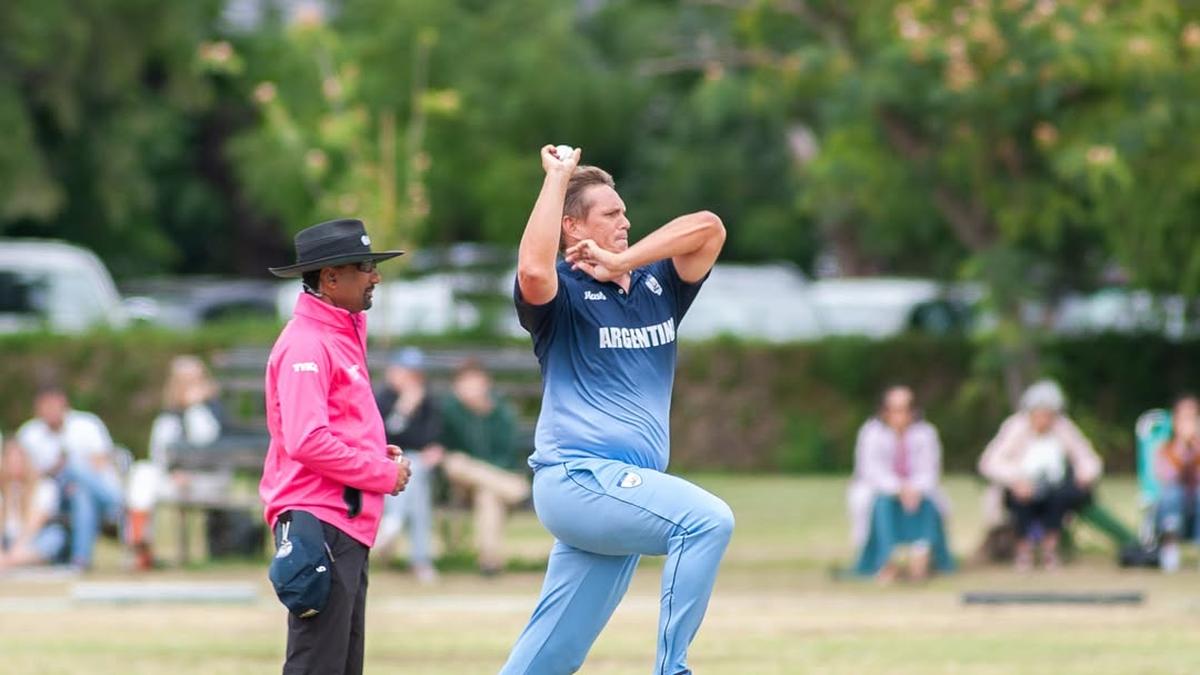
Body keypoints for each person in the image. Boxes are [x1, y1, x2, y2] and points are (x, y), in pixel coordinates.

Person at [501, 145, 733, 675]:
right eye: (610, 214)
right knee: (705, 522)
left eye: (624, 211)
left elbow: (709, 227)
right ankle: (673, 669)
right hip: (578, 479)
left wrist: (625, 261)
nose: (625, 221)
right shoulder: (564, 295)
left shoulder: (658, 284)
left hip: (624, 492)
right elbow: (532, 269)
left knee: (548, 659)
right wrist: (557, 178)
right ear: (572, 227)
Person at [261, 218, 413, 675]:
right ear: (330, 278)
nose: (375, 277)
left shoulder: (337, 335)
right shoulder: (308, 344)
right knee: (318, 665)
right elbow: (307, 440)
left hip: (340, 523)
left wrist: (376, 452)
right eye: (365, 267)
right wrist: (382, 474)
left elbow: (336, 426)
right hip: (321, 523)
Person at [979, 379, 1103, 571]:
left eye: (1049, 415)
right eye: (1040, 414)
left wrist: (1084, 474)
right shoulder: (1015, 427)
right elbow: (989, 462)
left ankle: (1050, 550)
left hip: (1055, 486)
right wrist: (1016, 479)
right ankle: (1024, 551)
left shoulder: (1063, 428)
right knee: (1022, 500)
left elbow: (1087, 457)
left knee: (1060, 497)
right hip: (1020, 485)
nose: (1044, 420)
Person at [125, 355, 226, 570]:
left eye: (194, 380)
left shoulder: (213, 409)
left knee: (150, 476)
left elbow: (208, 443)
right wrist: (173, 471)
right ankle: (139, 541)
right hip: (175, 479)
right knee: (142, 471)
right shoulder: (168, 414)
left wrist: (195, 407)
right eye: (183, 381)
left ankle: (140, 540)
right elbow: (158, 452)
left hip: (207, 479)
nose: (188, 386)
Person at [848, 386, 953, 581]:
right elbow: (871, 470)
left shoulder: (925, 433)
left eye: (905, 409)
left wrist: (914, 488)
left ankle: (923, 556)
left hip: (918, 490)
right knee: (881, 505)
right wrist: (899, 488)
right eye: (895, 410)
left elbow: (930, 469)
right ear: (884, 411)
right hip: (879, 489)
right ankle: (886, 560)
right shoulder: (871, 433)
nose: (900, 415)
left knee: (929, 505)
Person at [15, 384, 124, 570]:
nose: (49, 411)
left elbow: (100, 463)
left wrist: (73, 477)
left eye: (53, 405)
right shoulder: (29, 434)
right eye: (45, 406)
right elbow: (24, 473)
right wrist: (57, 471)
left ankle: (80, 561)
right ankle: (119, 505)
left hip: (90, 491)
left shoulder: (86, 424)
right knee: (71, 470)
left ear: (63, 404)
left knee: (79, 487)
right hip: (51, 497)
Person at [439, 358, 529, 576]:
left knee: (487, 495)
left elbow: (506, 456)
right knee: (456, 463)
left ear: (486, 383)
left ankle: (489, 562)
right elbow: (442, 447)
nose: (470, 388)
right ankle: (516, 488)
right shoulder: (450, 410)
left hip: (489, 481)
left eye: (474, 382)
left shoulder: (502, 413)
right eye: (464, 383)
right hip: (462, 482)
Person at [374, 347, 444, 584]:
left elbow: (429, 437)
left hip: (415, 465)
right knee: (416, 484)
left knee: (417, 474)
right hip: (382, 464)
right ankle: (421, 560)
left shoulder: (427, 400)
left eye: (417, 373)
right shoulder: (381, 398)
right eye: (407, 372)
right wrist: (403, 410)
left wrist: (433, 449)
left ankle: (393, 523)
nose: (413, 379)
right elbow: (384, 436)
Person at [0, 439, 69, 570]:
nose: (15, 464)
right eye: (10, 460)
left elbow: (36, 522)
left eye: (19, 460)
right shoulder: (3, 488)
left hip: (33, 538)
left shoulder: (45, 486)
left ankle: (13, 561)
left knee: (55, 536)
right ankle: (15, 560)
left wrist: (15, 551)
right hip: (6, 540)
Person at [1152, 394, 1200, 572]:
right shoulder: (1166, 449)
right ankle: (1169, 547)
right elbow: (1167, 476)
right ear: (1175, 422)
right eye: (1183, 419)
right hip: (1174, 509)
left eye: (1192, 418)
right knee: (1173, 493)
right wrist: (1182, 447)